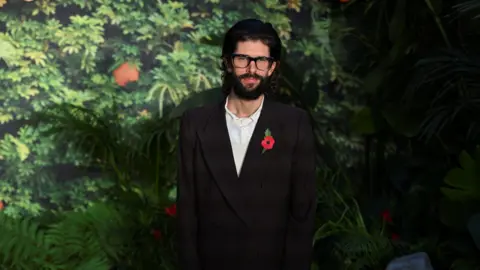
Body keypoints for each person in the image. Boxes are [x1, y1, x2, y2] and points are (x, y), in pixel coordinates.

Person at [177, 18, 317, 270]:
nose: (252, 69)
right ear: (228, 62)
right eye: (243, 59)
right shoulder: (195, 123)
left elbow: (302, 217)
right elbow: (187, 214)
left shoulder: (294, 124)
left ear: (272, 67)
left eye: (261, 61)